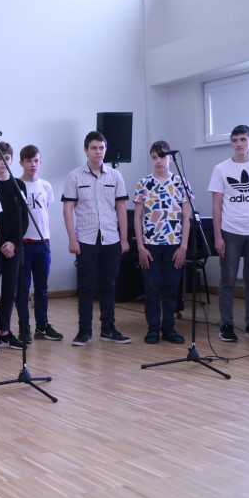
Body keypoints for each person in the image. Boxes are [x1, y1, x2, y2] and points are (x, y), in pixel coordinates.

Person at [61, 131, 131, 346]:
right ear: (86, 150)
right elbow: (67, 209)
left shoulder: (115, 176)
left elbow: (121, 208)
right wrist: (72, 239)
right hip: (85, 239)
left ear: (105, 150)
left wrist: (124, 239)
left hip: (111, 238)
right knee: (86, 286)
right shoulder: (74, 176)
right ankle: (84, 331)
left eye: (101, 148)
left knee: (109, 285)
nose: (98, 152)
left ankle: (108, 329)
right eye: (93, 148)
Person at [209, 124, 249, 342]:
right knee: (228, 280)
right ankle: (226, 325)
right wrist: (218, 236)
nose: (239, 144)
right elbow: (216, 205)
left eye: (243, 139)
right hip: (230, 230)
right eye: (235, 140)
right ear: (231, 143)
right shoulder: (221, 169)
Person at [134, 140, 191, 344]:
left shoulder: (181, 182)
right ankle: (153, 328)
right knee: (151, 288)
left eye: (162, 156)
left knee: (171, 287)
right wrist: (140, 247)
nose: (158, 160)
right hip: (150, 245)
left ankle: (169, 328)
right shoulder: (144, 183)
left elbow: (186, 217)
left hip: (174, 244)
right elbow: (137, 217)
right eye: (154, 157)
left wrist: (184, 246)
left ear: (171, 158)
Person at [0, 142, 28, 352]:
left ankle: (5, 332)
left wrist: (14, 243)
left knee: (11, 290)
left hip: (14, 246)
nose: (3, 162)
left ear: (12, 160)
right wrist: (1, 244)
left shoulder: (19, 185)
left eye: (6, 158)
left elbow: (24, 218)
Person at [16, 144, 63, 343]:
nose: (33, 164)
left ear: (40, 161)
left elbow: (45, 213)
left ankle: (42, 326)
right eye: (29, 161)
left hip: (43, 243)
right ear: (21, 163)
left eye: (36, 160)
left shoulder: (46, 186)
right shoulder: (17, 185)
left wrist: (47, 238)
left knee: (42, 288)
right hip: (24, 244)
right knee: (23, 289)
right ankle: (24, 327)